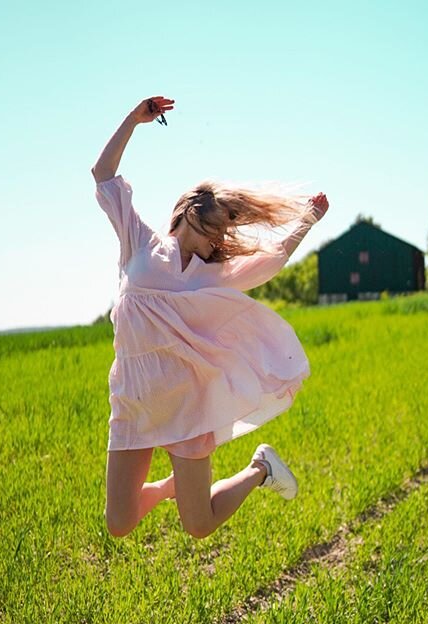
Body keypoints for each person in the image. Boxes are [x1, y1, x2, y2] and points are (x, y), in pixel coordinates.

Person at [92, 95, 329, 540]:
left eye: (223, 230)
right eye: (213, 227)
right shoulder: (138, 245)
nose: (218, 237)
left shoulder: (214, 273)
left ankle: (261, 468)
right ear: (186, 215)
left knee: (199, 524)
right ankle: (169, 488)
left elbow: (273, 260)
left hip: (188, 401)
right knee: (119, 522)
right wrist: (133, 120)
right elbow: (103, 174)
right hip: (134, 398)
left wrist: (308, 219)